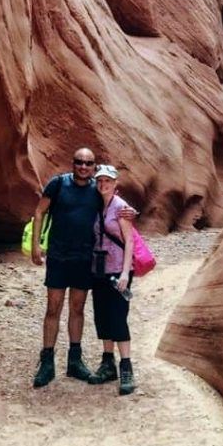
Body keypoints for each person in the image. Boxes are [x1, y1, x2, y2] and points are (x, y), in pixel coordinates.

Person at [30, 148, 133, 388]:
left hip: (85, 260)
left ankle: (74, 361)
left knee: (77, 309)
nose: (83, 167)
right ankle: (47, 361)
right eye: (79, 162)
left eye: (88, 163)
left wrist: (130, 212)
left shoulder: (96, 190)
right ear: (73, 163)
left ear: (94, 166)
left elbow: (114, 205)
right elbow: (39, 211)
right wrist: (36, 246)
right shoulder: (58, 184)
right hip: (58, 257)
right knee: (53, 308)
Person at [87, 165, 136, 396]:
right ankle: (108, 364)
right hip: (100, 270)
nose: (103, 184)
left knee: (118, 317)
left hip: (118, 270)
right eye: (100, 181)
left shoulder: (121, 208)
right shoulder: (97, 205)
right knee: (102, 316)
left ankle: (126, 367)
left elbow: (130, 242)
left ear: (116, 184)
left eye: (108, 180)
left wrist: (126, 273)